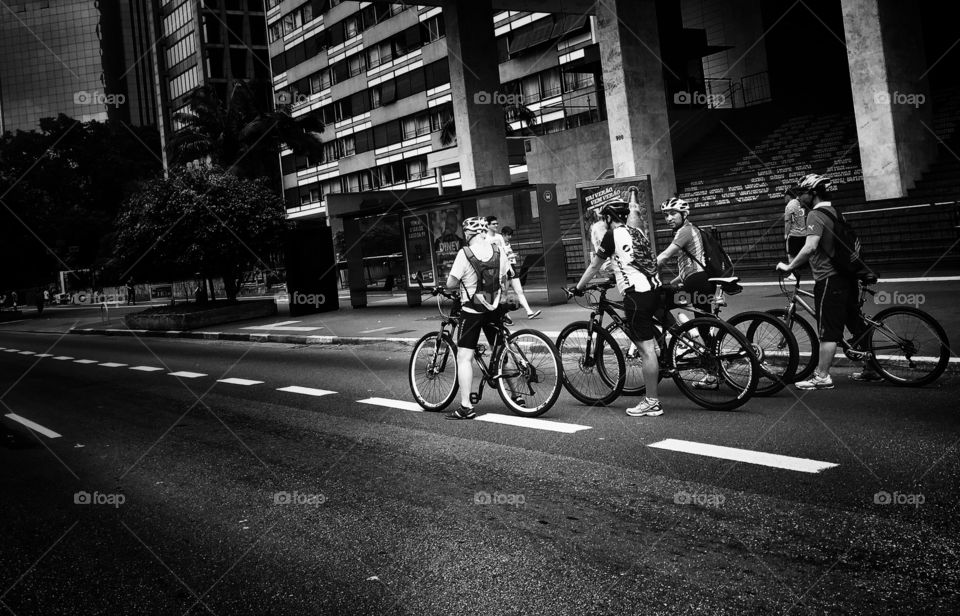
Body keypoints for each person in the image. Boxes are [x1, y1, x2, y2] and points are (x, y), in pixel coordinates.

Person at [776, 173, 879, 389]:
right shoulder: (835, 212)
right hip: (846, 275)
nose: (800, 196)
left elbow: (811, 246)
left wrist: (790, 266)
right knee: (855, 323)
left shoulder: (815, 214)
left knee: (828, 330)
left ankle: (822, 376)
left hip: (829, 279)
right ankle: (871, 368)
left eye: (803, 192)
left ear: (813, 193)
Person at [569, 198, 664, 417]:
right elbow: (633, 261)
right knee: (652, 341)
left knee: (645, 350)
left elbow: (594, 265)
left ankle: (652, 401)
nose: (604, 221)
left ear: (610, 218)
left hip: (636, 296)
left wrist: (578, 287)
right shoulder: (638, 232)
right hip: (654, 290)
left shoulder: (611, 236)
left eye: (605, 218)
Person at [444, 216, 511, 420]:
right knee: (501, 353)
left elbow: (450, 283)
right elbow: (505, 277)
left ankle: (466, 407)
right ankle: (517, 398)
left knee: (464, 357)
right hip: (494, 307)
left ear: (467, 233)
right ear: (483, 232)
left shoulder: (464, 253)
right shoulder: (499, 251)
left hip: (472, 311)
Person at [491, 220, 542, 320]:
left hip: (511, 268)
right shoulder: (498, 243)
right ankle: (504, 315)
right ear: (503, 235)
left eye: (510, 235)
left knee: (519, 291)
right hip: (503, 269)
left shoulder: (507, 243)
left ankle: (529, 312)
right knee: (503, 294)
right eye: (508, 235)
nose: (509, 237)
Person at [783, 187, 807, 281]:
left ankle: (793, 274)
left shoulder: (789, 205)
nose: (784, 199)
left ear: (788, 196)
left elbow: (788, 222)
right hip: (804, 233)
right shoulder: (801, 203)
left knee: (791, 255)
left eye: (784, 197)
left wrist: (786, 234)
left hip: (794, 234)